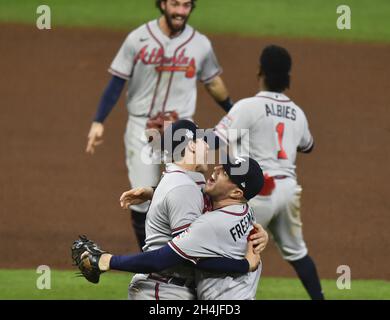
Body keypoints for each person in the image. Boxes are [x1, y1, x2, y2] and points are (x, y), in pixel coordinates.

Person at [85, 0, 233, 251]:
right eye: (175, 4)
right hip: (142, 129)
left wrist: (233, 110)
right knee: (142, 199)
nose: (180, 11)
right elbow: (117, 81)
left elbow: (213, 82)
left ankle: (187, 252)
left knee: (186, 190)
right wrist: (99, 120)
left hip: (182, 133)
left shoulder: (201, 44)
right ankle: (151, 257)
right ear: (163, 4)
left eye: (186, 5)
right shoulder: (138, 39)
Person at [74, 120, 267, 300]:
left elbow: (203, 198)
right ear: (191, 145)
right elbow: (187, 258)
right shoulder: (182, 187)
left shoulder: (192, 179)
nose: (208, 147)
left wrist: (153, 192)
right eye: (203, 141)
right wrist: (108, 260)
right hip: (163, 290)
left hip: (173, 288)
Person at [213, 45, 324, 300]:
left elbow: (216, 140)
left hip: (257, 191)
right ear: (288, 78)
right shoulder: (298, 112)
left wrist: (175, 141)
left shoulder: (247, 106)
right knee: (298, 254)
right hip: (288, 191)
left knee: (227, 252)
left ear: (260, 71)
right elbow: (308, 145)